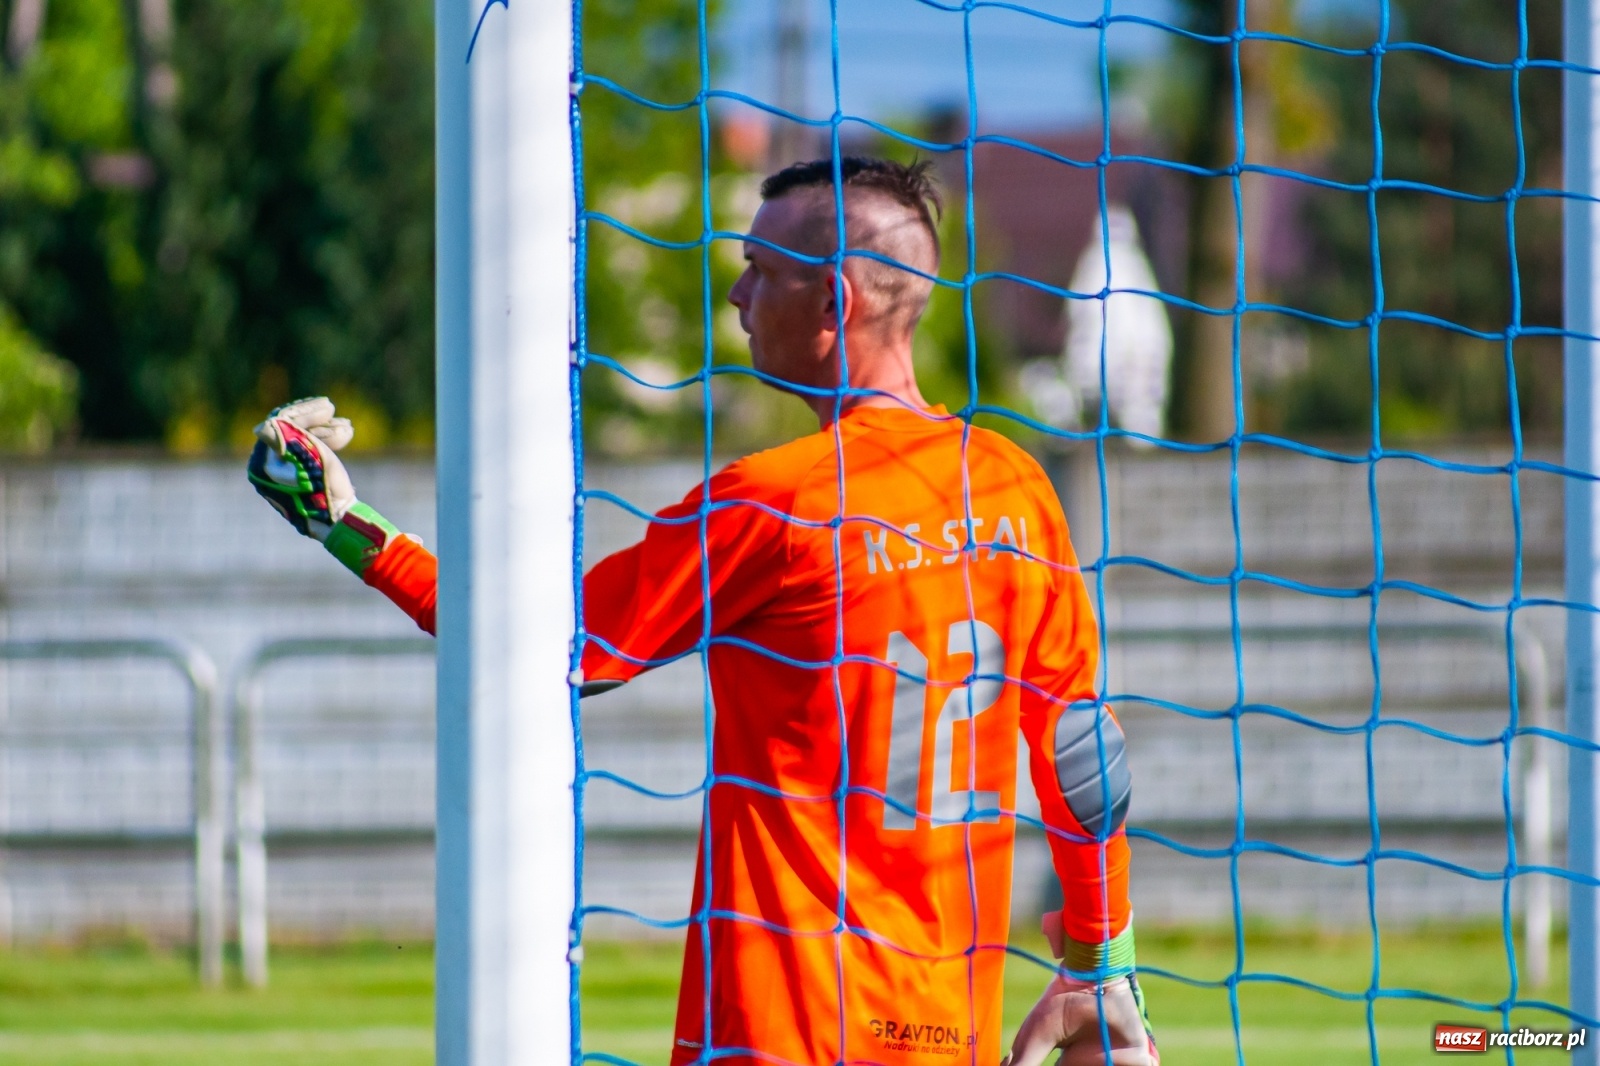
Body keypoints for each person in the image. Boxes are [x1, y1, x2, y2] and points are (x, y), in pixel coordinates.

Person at [247, 157, 1158, 1066]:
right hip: (946, 1033)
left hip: (780, 1030)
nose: (736, 292)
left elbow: (534, 649)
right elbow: (1082, 749)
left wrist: (345, 525)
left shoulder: (773, 501)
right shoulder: (1013, 488)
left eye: (761, 268)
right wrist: (1100, 958)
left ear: (836, 302)